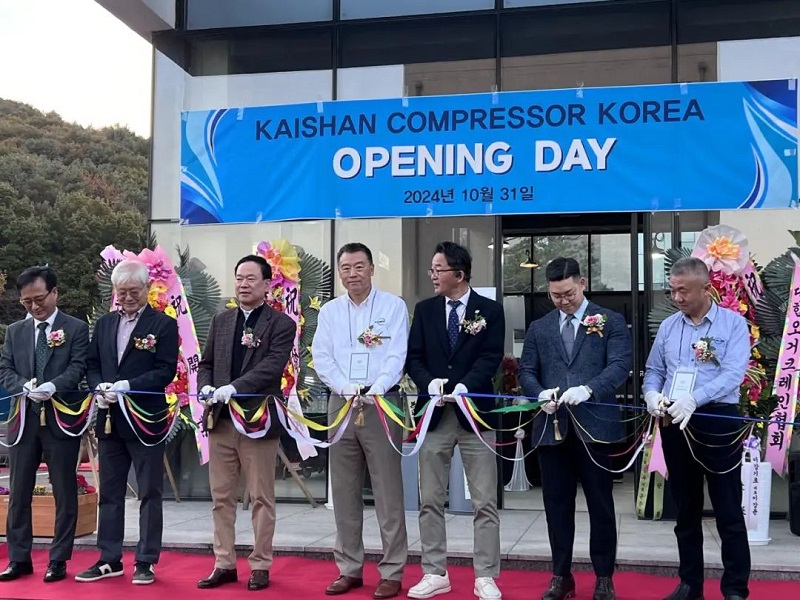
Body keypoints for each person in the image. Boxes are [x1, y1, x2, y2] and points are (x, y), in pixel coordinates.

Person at [518, 257, 631, 600]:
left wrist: (589, 389)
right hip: (552, 427)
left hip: (595, 427)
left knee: (601, 504)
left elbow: (620, 366)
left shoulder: (610, 320)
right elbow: (526, 371)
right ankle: (560, 575)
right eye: (556, 295)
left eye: (568, 293)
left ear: (582, 283)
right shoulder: (539, 328)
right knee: (556, 506)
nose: (563, 301)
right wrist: (539, 394)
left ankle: (604, 577)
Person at [643, 257, 750, 600]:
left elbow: (733, 374)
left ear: (706, 288)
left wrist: (695, 398)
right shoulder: (669, 326)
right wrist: (652, 395)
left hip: (718, 419)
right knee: (685, 509)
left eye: (684, 291)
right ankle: (690, 584)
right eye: (673, 291)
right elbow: (654, 369)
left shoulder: (733, 324)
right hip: (675, 420)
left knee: (727, 509)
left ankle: (734, 588)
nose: (677, 298)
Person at [405, 241, 505, 600]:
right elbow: (413, 357)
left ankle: (486, 575)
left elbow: (491, 357)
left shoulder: (490, 311)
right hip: (435, 415)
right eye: (432, 269)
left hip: (475, 414)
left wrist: (465, 385)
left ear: (459, 274)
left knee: (484, 500)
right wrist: (428, 382)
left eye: (439, 269)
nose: (432, 275)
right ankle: (434, 571)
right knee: (430, 498)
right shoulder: (425, 309)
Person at [312, 243, 409, 599]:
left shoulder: (393, 306)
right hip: (342, 402)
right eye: (345, 268)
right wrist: (345, 386)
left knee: (387, 489)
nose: (352, 274)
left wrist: (377, 387)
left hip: (382, 401)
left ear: (371, 269)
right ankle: (349, 568)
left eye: (358, 266)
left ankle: (392, 570)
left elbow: (397, 353)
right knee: (344, 489)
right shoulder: (330, 311)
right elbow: (321, 356)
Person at [75, 260, 179, 585]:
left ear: (147, 288)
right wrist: (100, 387)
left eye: (134, 291)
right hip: (110, 419)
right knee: (110, 492)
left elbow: (166, 370)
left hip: (146, 420)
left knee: (149, 491)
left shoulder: (163, 324)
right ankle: (109, 558)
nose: (128, 297)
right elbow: (92, 363)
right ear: (114, 292)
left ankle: (146, 560)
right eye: (122, 292)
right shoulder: (105, 323)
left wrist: (128, 386)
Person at [196, 254, 296, 592]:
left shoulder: (281, 324)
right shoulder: (221, 320)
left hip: (258, 421)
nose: (243, 284)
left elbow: (272, 366)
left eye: (251, 278)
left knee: (261, 497)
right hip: (221, 421)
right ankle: (224, 562)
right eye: (239, 278)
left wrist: (235, 388)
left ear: (267, 284)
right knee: (221, 497)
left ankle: (260, 564)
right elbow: (206, 363)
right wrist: (205, 387)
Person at [0, 266, 90, 583]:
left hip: (60, 418)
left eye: (39, 299)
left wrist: (54, 386)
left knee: (64, 490)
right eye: (27, 302)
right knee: (19, 491)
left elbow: (78, 366)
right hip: (24, 419)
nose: (34, 307)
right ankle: (19, 558)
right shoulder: (16, 331)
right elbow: (5, 369)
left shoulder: (75, 328)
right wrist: (22, 385)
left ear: (55, 293)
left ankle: (58, 559)